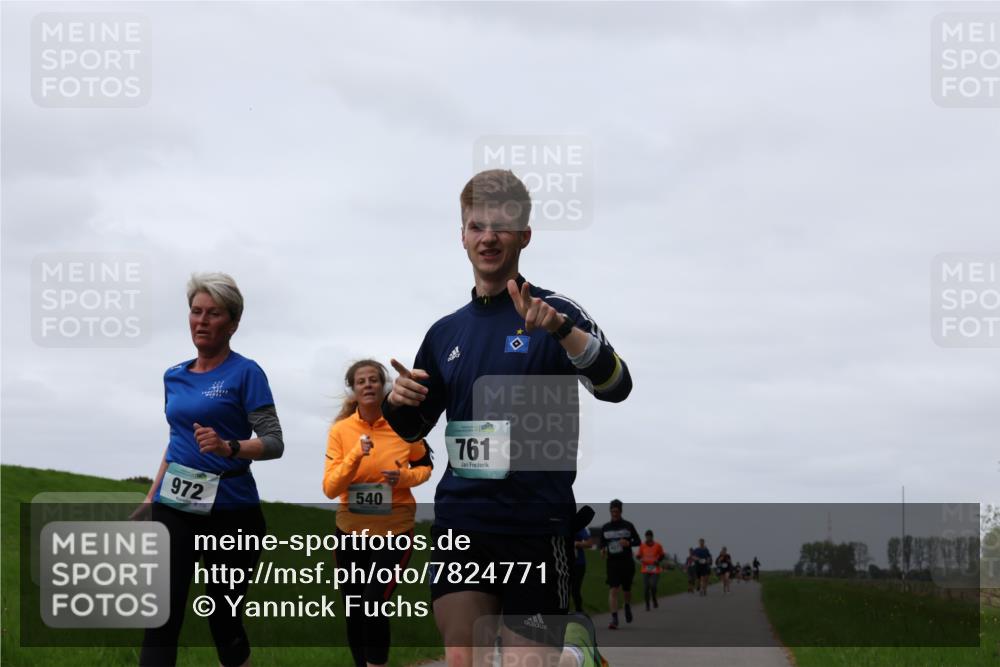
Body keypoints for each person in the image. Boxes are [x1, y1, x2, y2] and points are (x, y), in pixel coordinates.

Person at [382, 169, 632, 667]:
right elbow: (414, 429)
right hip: (463, 520)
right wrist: (398, 401)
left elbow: (617, 385)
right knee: (461, 657)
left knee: (526, 664)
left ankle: (571, 654)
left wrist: (563, 333)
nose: (488, 237)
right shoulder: (445, 332)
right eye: (476, 226)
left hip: (535, 524)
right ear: (462, 237)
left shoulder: (556, 311)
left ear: (525, 235)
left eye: (501, 225)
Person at [137, 272, 285, 667]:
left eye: (213, 313)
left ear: (233, 323)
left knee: (222, 617)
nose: (201, 320)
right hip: (175, 506)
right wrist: (152, 495)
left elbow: (274, 442)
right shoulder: (175, 376)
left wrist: (229, 447)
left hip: (232, 511)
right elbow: (177, 440)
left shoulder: (246, 373)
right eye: (195, 311)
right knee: (161, 613)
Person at [323, 360, 433, 667]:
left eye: (374, 379)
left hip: (393, 532)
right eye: (362, 381)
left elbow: (426, 467)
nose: (368, 385)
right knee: (354, 607)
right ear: (354, 389)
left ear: (383, 386)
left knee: (373, 603)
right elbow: (330, 488)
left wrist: (406, 478)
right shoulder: (341, 431)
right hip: (349, 533)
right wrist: (356, 454)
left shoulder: (404, 425)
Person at [598, 500, 640, 629]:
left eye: (616, 511)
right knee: (614, 589)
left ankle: (627, 606)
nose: (614, 514)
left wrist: (629, 543)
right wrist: (603, 549)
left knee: (627, 590)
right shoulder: (605, 527)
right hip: (612, 563)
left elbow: (638, 541)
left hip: (627, 561)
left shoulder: (628, 525)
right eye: (612, 511)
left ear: (621, 511)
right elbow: (602, 544)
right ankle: (614, 618)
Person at [636, 530, 666, 611]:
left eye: (649, 536)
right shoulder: (642, 546)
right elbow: (638, 556)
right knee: (646, 588)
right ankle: (647, 604)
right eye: (646, 536)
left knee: (653, 586)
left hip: (655, 569)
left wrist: (658, 560)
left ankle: (654, 599)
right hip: (645, 569)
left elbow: (662, 555)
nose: (648, 538)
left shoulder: (658, 545)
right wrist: (641, 559)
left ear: (652, 537)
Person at [571, 525, 593, 613]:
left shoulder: (579, 528)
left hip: (578, 564)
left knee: (575, 589)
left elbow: (590, 543)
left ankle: (579, 610)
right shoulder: (559, 526)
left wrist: (577, 544)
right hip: (563, 563)